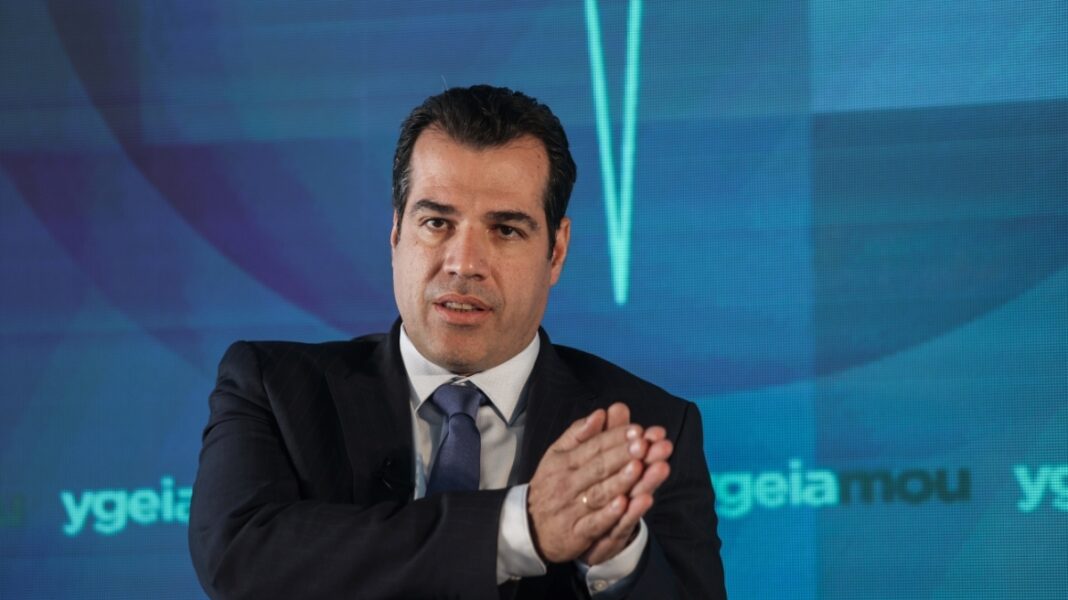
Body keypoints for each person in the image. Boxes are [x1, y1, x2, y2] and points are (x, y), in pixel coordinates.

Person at [189, 85, 726, 599]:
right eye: (436, 222)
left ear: (557, 251)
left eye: (506, 230)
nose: (464, 264)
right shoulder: (273, 388)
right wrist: (520, 528)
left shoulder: (650, 428)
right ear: (396, 233)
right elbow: (239, 558)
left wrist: (615, 558)